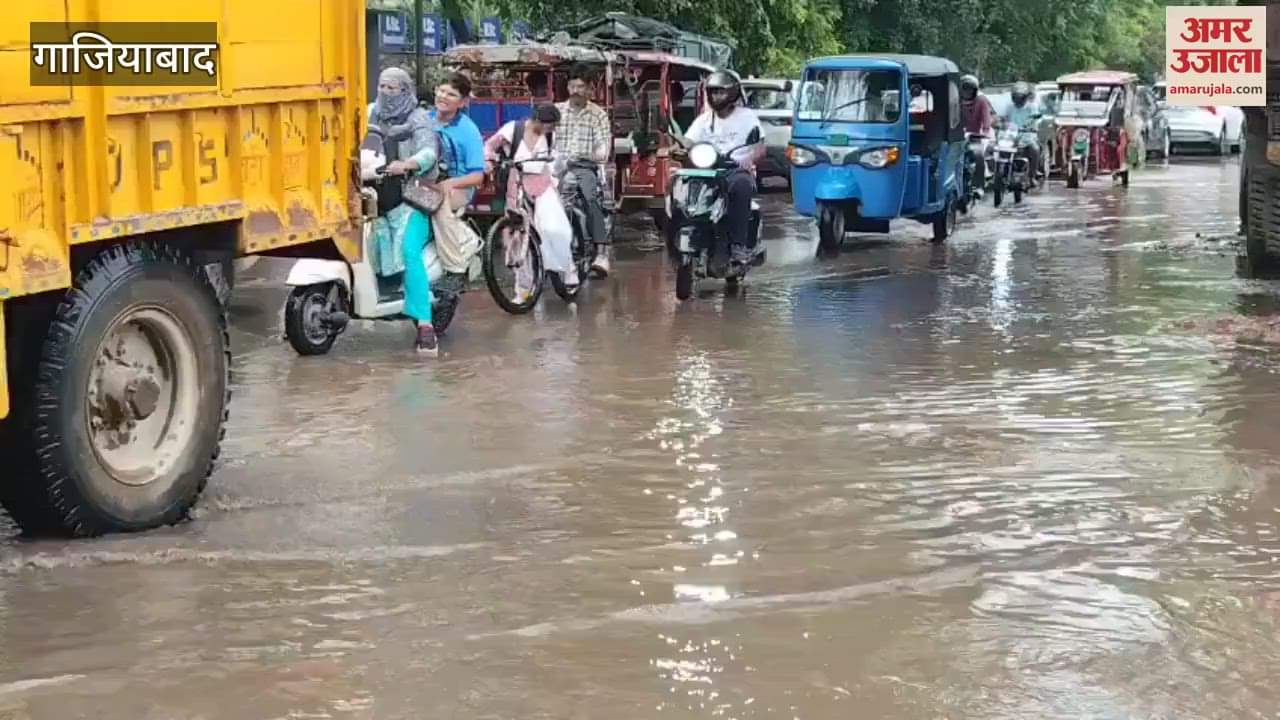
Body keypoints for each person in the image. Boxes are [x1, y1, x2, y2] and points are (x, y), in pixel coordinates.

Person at [368, 67, 442, 356]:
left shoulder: (418, 119)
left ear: (405, 90)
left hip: (412, 196)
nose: (386, 92)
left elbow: (429, 152)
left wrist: (409, 163)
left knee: (409, 250)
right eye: (382, 85)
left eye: (393, 88)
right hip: (373, 191)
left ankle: (425, 324)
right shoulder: (371, 112)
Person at [484, 103, 577, 299]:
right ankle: (523, 290)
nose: (550, 130)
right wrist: (489, 160)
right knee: (518, 239)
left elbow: (559, 158)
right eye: (548, 125)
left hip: (543, 186)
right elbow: (490, 145)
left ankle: (567, 268)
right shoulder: (513, 129)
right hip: (516, 186)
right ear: (537, 120)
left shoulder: (551, 136)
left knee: (554, 228)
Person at [683, 70, 765, 276]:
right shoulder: (703, 119)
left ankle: (739, 247)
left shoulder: (747, 117)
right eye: (713, 93)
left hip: (735, 170)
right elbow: (689, 140)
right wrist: (679, 147)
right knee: (680, 185)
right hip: (707, 170)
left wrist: (749, 158)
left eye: (720, 92)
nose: (716, 97)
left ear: (732, 93)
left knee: (742, 186)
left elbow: (761, 146)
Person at [555, 63, 613, 277]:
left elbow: (603, 147)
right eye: (573, 86)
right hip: (555, 166)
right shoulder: (556, 111)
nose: (576, 91)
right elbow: (541, 133)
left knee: (591, 199)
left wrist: (596, 154)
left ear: (590, 89)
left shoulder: (598, 115)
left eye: (581, 87)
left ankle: (601, 252)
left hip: (584, 165)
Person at [997, 81, 1042, 187]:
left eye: (1020, 97)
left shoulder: (1031, 107)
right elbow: (1004, 119)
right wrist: (1000, 123)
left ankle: (1032, 176)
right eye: (1016, 97)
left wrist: (1032, 126)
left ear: (1025, 97)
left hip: (1027, 136)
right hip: (1011, 137)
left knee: (1035, 149)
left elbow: (1035, 119)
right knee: (999, 149)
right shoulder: (1009, 107)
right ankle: (999, 173)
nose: (1018, 99)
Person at [960, 74, 994, 197]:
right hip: (959, 136)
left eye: (970, 89)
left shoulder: (981, 100)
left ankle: (979, 185)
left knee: (978, 155)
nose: (967, 92)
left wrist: (985, 131)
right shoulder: (955, 100)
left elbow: (986, 119)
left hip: (976, 135)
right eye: (964, 89)